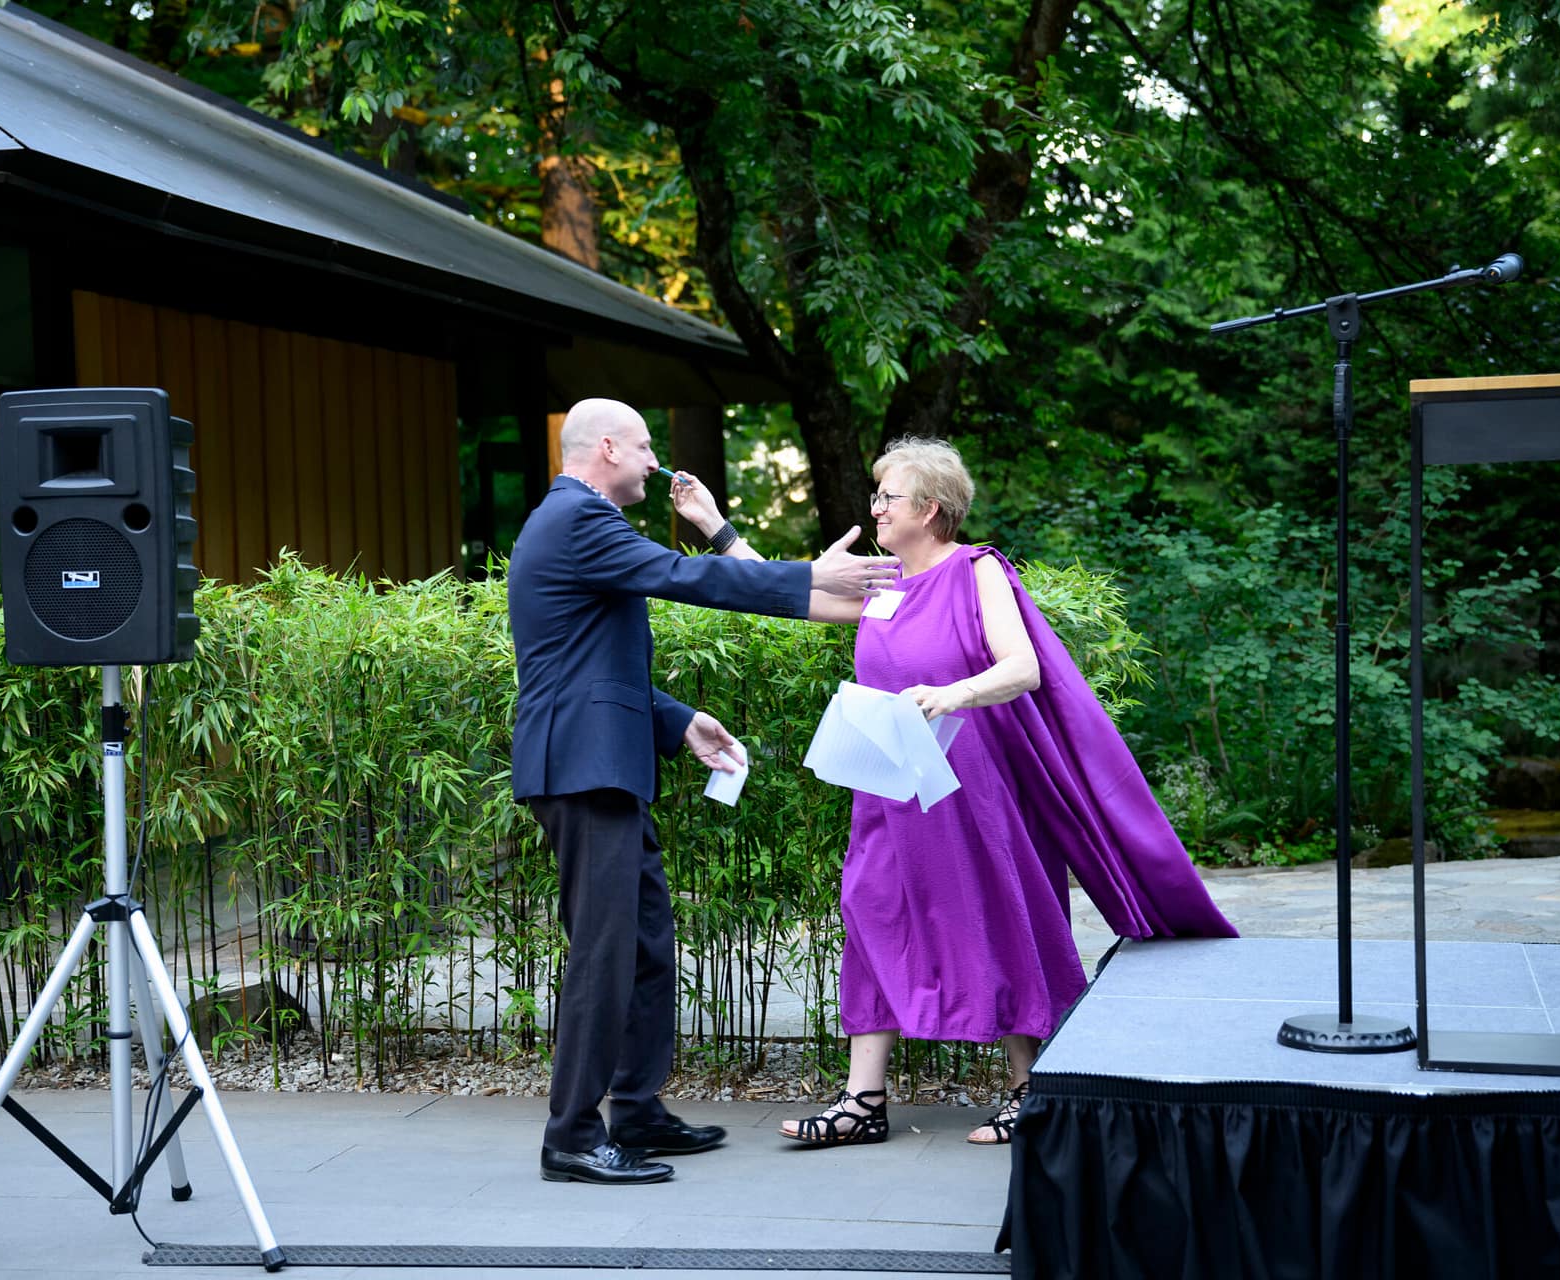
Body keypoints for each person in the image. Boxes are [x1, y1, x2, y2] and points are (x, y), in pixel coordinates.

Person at [672, 436, 1235, 1147]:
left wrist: (950, 694)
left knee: (993, 913)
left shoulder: (975, 572)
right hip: (887, 786)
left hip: (972, 789)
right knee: (868, 905)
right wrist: (711, 522)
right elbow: (784, 593)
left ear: (930, 509)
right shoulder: (883, 589)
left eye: (888, 497)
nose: (874, 507)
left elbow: (1023, 667)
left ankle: (1030, 1090)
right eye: (875, 496)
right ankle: (863, 1100)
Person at [508, 398, 898, 1186]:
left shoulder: (579, 524)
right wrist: (807, 576)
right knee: (604, 952)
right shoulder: (578, 518)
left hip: (604, 762)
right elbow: (687, 577)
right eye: (647, 446)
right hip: (583, 770)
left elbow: (590, 664)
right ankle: (572, 1137)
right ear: (608, 446)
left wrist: (679, 720)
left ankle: (638, 1111)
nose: (655, 462)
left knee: (647, 943)